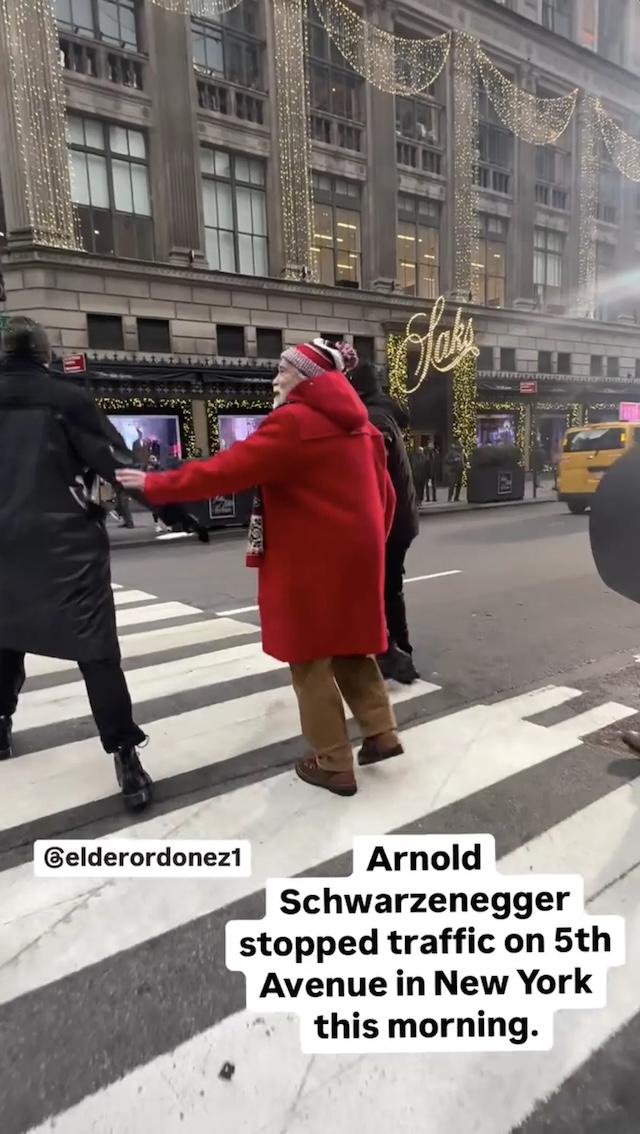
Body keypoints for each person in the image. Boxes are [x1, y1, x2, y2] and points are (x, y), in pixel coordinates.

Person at [118, 338, 402, 798]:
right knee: (351, 644)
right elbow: (385, 498)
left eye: (283, 371)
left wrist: (156, 483)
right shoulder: (363, 428)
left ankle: (333, 763)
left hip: (308, 560)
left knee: (308, 658)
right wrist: (370, 546)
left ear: (307, 378)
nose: (275, 379)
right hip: (358, 556)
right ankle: (380, 731)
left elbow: (226, 471)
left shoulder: (292, 423)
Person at [0, 316, 152, 811]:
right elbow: (121, 466)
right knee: (97, 653)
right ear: (45, 354)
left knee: (4, 642)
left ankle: (0, 728)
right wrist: (184, 504)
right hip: (66, 550)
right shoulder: (67, 399)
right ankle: (126, 756)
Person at [349, 361, 420, 684]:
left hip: (389, 522)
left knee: (383, 587)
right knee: (388, 585)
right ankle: (395, 649)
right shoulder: (383, 412)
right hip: (398, 519)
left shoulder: (373, 419)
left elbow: (372, 475)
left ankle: (396, 653)